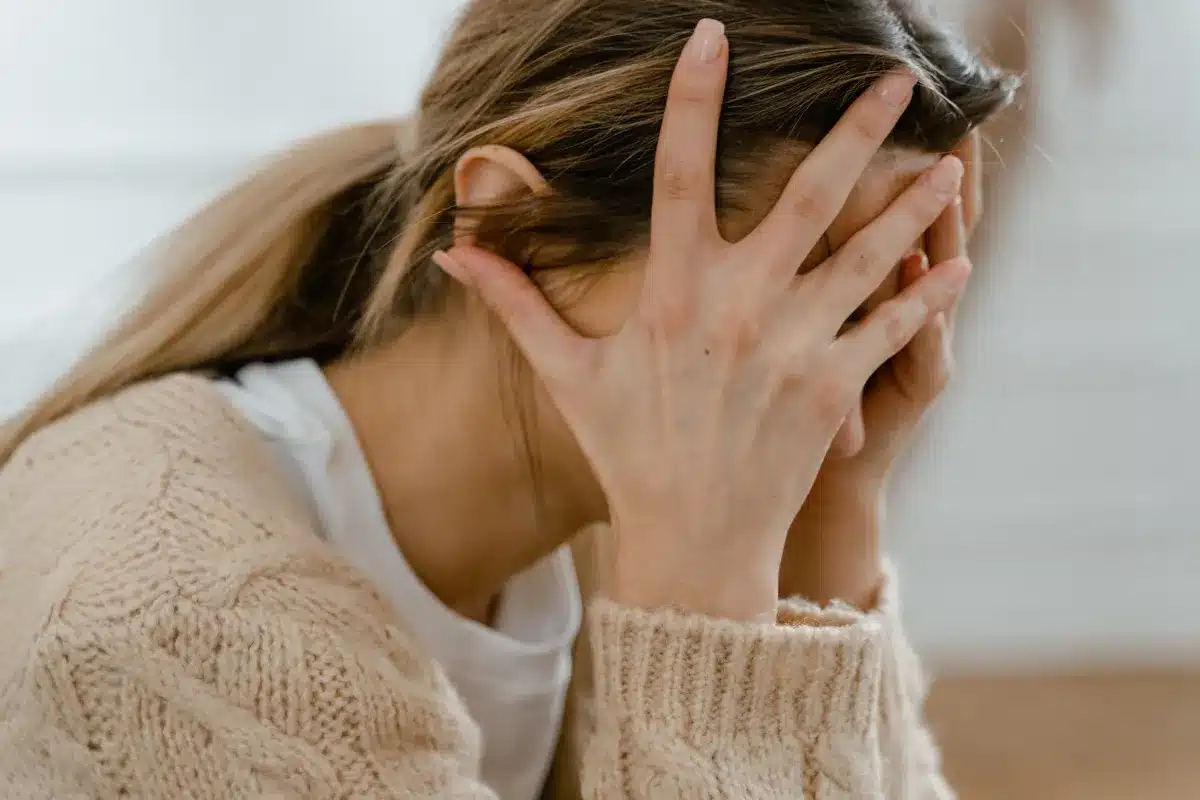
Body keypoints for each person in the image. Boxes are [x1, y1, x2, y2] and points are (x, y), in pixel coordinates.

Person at [0, 0, 1016, 796]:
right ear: (515, 226)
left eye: (879, 298)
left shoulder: (602, 537)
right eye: (795, 285)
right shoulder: (179, 628)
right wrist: (701, 616)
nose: (827, 377)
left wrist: (832, 512)